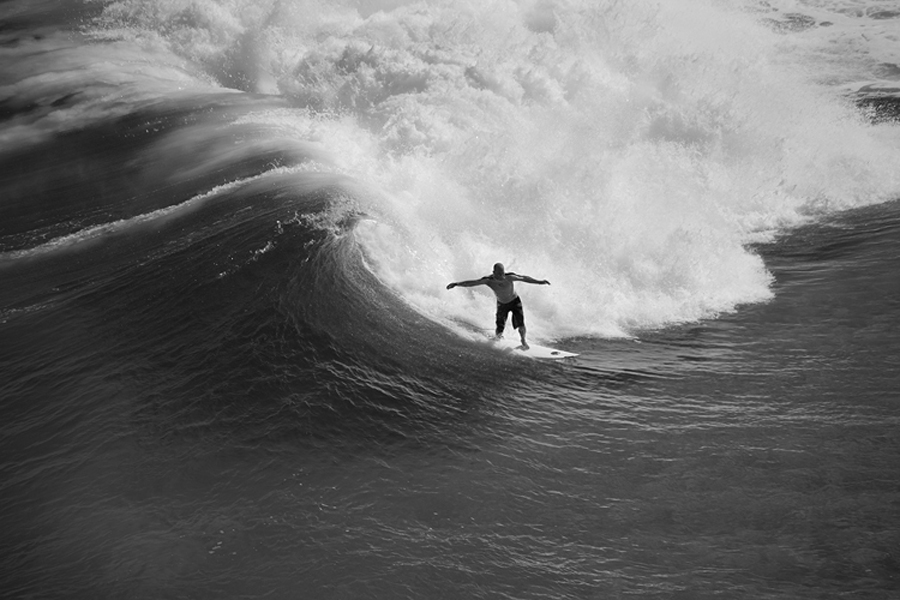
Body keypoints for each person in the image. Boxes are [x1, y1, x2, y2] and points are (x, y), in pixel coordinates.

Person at [446, 262, 550, 350]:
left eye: (502, 273)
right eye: (499, 274)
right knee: (500, 327)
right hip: (502, 304)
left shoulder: (509, 277)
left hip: (515, 302)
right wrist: (457, 284)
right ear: (494, 272)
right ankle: (498, 338)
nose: (501, 276)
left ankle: (523, 340)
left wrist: (539, 282)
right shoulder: (488, 280)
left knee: (521, 323)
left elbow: (524, 278)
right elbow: (473, 282)